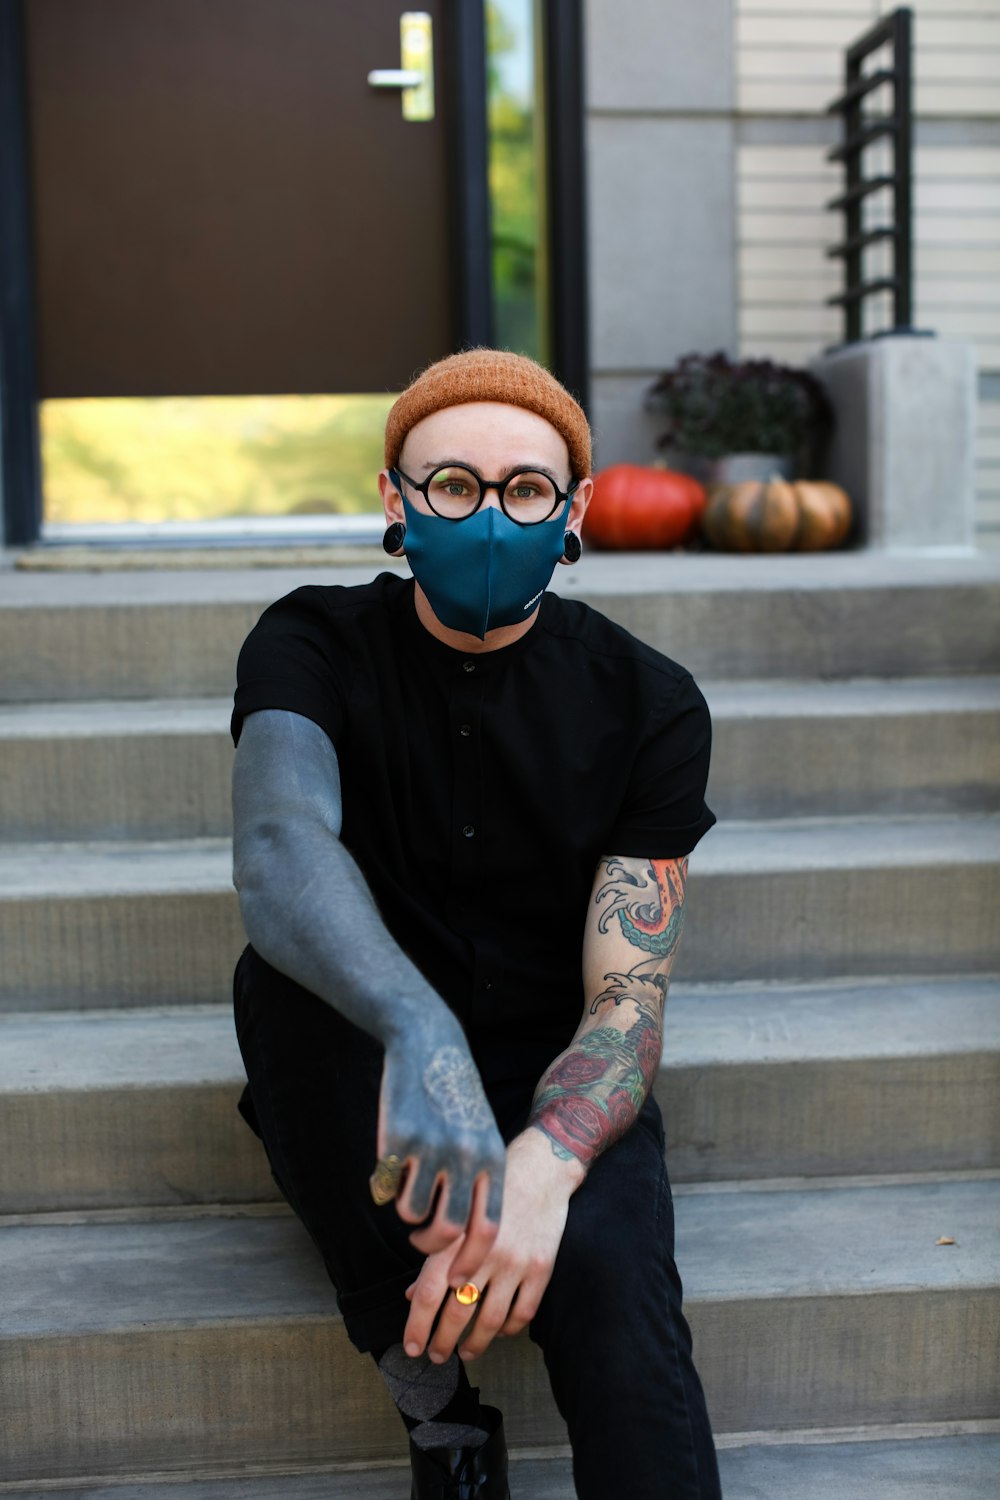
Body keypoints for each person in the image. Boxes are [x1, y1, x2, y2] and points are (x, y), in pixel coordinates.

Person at [230, 348, 722, 1499]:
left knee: (616, 1305)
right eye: (454, 486)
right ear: (396, 500)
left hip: (558, 1068)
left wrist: (543, 1175)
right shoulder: (309, 641)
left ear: (576, 511)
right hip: (366, 1041)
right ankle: (442, 1419)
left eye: (526, 490)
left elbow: (624, 999)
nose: (490, 516)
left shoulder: (649, 701)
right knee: (280, 989)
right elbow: (278, 846)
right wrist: (418, 1028)